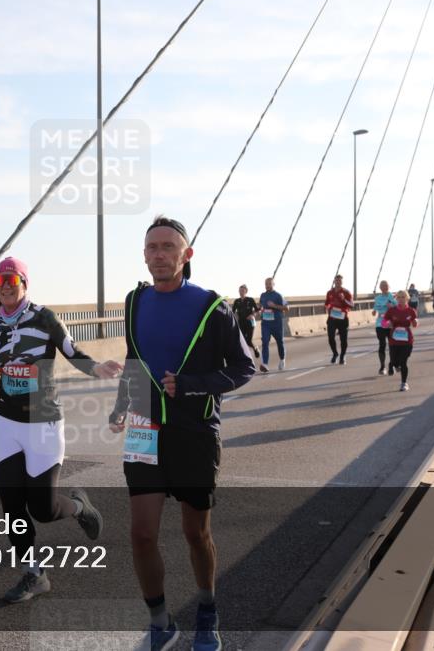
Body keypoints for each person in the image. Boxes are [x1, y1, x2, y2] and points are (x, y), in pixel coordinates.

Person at [109, 216, 255, 651]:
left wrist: (193, 385)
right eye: (151, 247)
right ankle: (160, 622)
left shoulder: (212, 306)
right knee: (141, 533)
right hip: (144, 428)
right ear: (144, 254)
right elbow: (135, 361)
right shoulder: (134, 301)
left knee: (196, 533)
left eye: (168, 247)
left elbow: (244, 367)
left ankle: (207, 612)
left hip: (194, 430)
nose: (159, 254)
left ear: (186, 254)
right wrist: (121, 406)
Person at [0, 257, 122, 603]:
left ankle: (78, 505)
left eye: (12, 280)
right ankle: (34, 573)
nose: (5, 286)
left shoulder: (44, 318)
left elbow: (72, 352)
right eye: (0, 281)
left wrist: (96, 368)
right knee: (12, 506)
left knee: (42, 509)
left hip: (43, 418)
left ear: (24, 284)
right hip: (5, 420)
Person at [385, 290, 418, 391]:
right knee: (395, 362)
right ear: (396, 299)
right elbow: (384, 320)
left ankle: (404, 383)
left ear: (407, 298)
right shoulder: (392, 310)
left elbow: (414, 322)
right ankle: (392, 364)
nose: (401, 299)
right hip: (394, 341)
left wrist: (415, 322)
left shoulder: (411, 311)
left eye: (403, 297)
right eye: (399, 297)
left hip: (407, 340)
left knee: (403, 362)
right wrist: (387, 324)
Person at [258, 277, 288, 372]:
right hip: (266, 324)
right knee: (265, 342)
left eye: (269, 284)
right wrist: (260, 310)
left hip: (276, 324)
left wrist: (274, 306)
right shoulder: (262, 295)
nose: (267, 285)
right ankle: (265, 364)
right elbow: (261, 306)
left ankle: (282, 359)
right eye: (266, 284)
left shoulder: (278, 295)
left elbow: (287, 308)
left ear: (273, 284)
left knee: (280, 342)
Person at [325, 274, 353, 364]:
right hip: (332, 317)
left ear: (342, 282)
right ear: (334, 281)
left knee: (343, 339)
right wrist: (328, 307)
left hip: (342, 318)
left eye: (340, 281)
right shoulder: (330, 292)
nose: (338, 282)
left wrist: (344, 299)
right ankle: (335, 353)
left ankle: (343, 356)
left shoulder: (346, 292)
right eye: (336, 280)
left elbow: (352, 305)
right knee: (330, 337)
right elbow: (326, 303)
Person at [372, 280, 397, 376]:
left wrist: (392, 306)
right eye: (382, 286)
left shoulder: (391, 296)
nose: (384, 287)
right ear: (380, 287)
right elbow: (375, 309)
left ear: (388, 287)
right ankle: (382, 367)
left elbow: (397, 306)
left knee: (392, 345)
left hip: (390, 324)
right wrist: (374, 312)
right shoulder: (378, 298)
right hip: (380, 324)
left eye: (386, 285)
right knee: (382, 344)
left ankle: (391, 366)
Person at [231, 284, 260, 359]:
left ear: (246, 291)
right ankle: (245, 356)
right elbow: (232, 312)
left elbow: (257, 310)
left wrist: (253, 315)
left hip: (250, 323)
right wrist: (235, 317)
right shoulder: (237, 301)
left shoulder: (250, 300)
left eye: (242, 290)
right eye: (240, 291)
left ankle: (255, 348)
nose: (241, 292)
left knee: (249, 340)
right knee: (242, 340)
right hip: (241, 323)